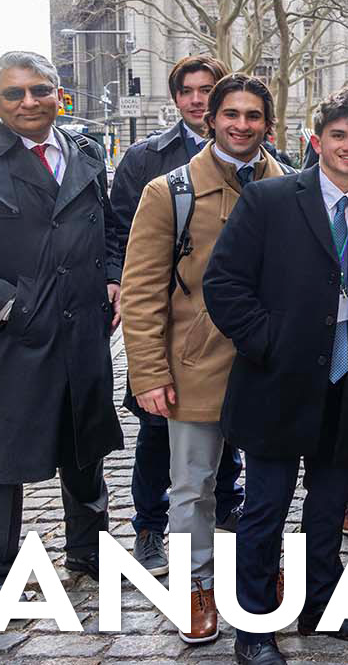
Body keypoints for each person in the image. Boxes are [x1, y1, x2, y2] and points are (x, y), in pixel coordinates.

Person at [203, 87, 348, 665]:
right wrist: (269, 343)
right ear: (316, 141)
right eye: (337, 136)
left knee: (327, 505)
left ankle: (321, 604)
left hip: (346, 379)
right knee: (264, 510)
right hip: (276, 381)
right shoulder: (269, 199)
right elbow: (225, 284)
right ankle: (254, 626)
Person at [0, 51, 123, 615]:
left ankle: (90, 552)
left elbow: (107, 230)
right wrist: (10, 309)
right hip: (6, 342)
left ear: (59, 92)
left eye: (40, 90)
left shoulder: (84, 152)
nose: (29, 102)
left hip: (82, 333)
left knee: (85, 449)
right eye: (15, 94)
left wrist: (111, 277)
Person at [120, 74, 287, 644]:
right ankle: (195, 588)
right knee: (193, 487)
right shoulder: (169, 191)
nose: (242, 125)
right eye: (231, 114)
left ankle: (260, 575)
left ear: (268, 122)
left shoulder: (290, 182)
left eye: (254, 116)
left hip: (268, 364)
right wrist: (147, 372)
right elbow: (141, 290)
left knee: (270, 485)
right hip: (197, 362)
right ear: (211, 118)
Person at [107, 53, 243, 575]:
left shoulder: (276, 169)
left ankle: (237, 528)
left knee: (229, 460)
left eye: (207, 89)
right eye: (189, 91)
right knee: (164, 446)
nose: (198, 99)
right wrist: (147, 365)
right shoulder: (150, 162)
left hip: (244, 349)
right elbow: (125, 239)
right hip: (180, 340)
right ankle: (150, 527)